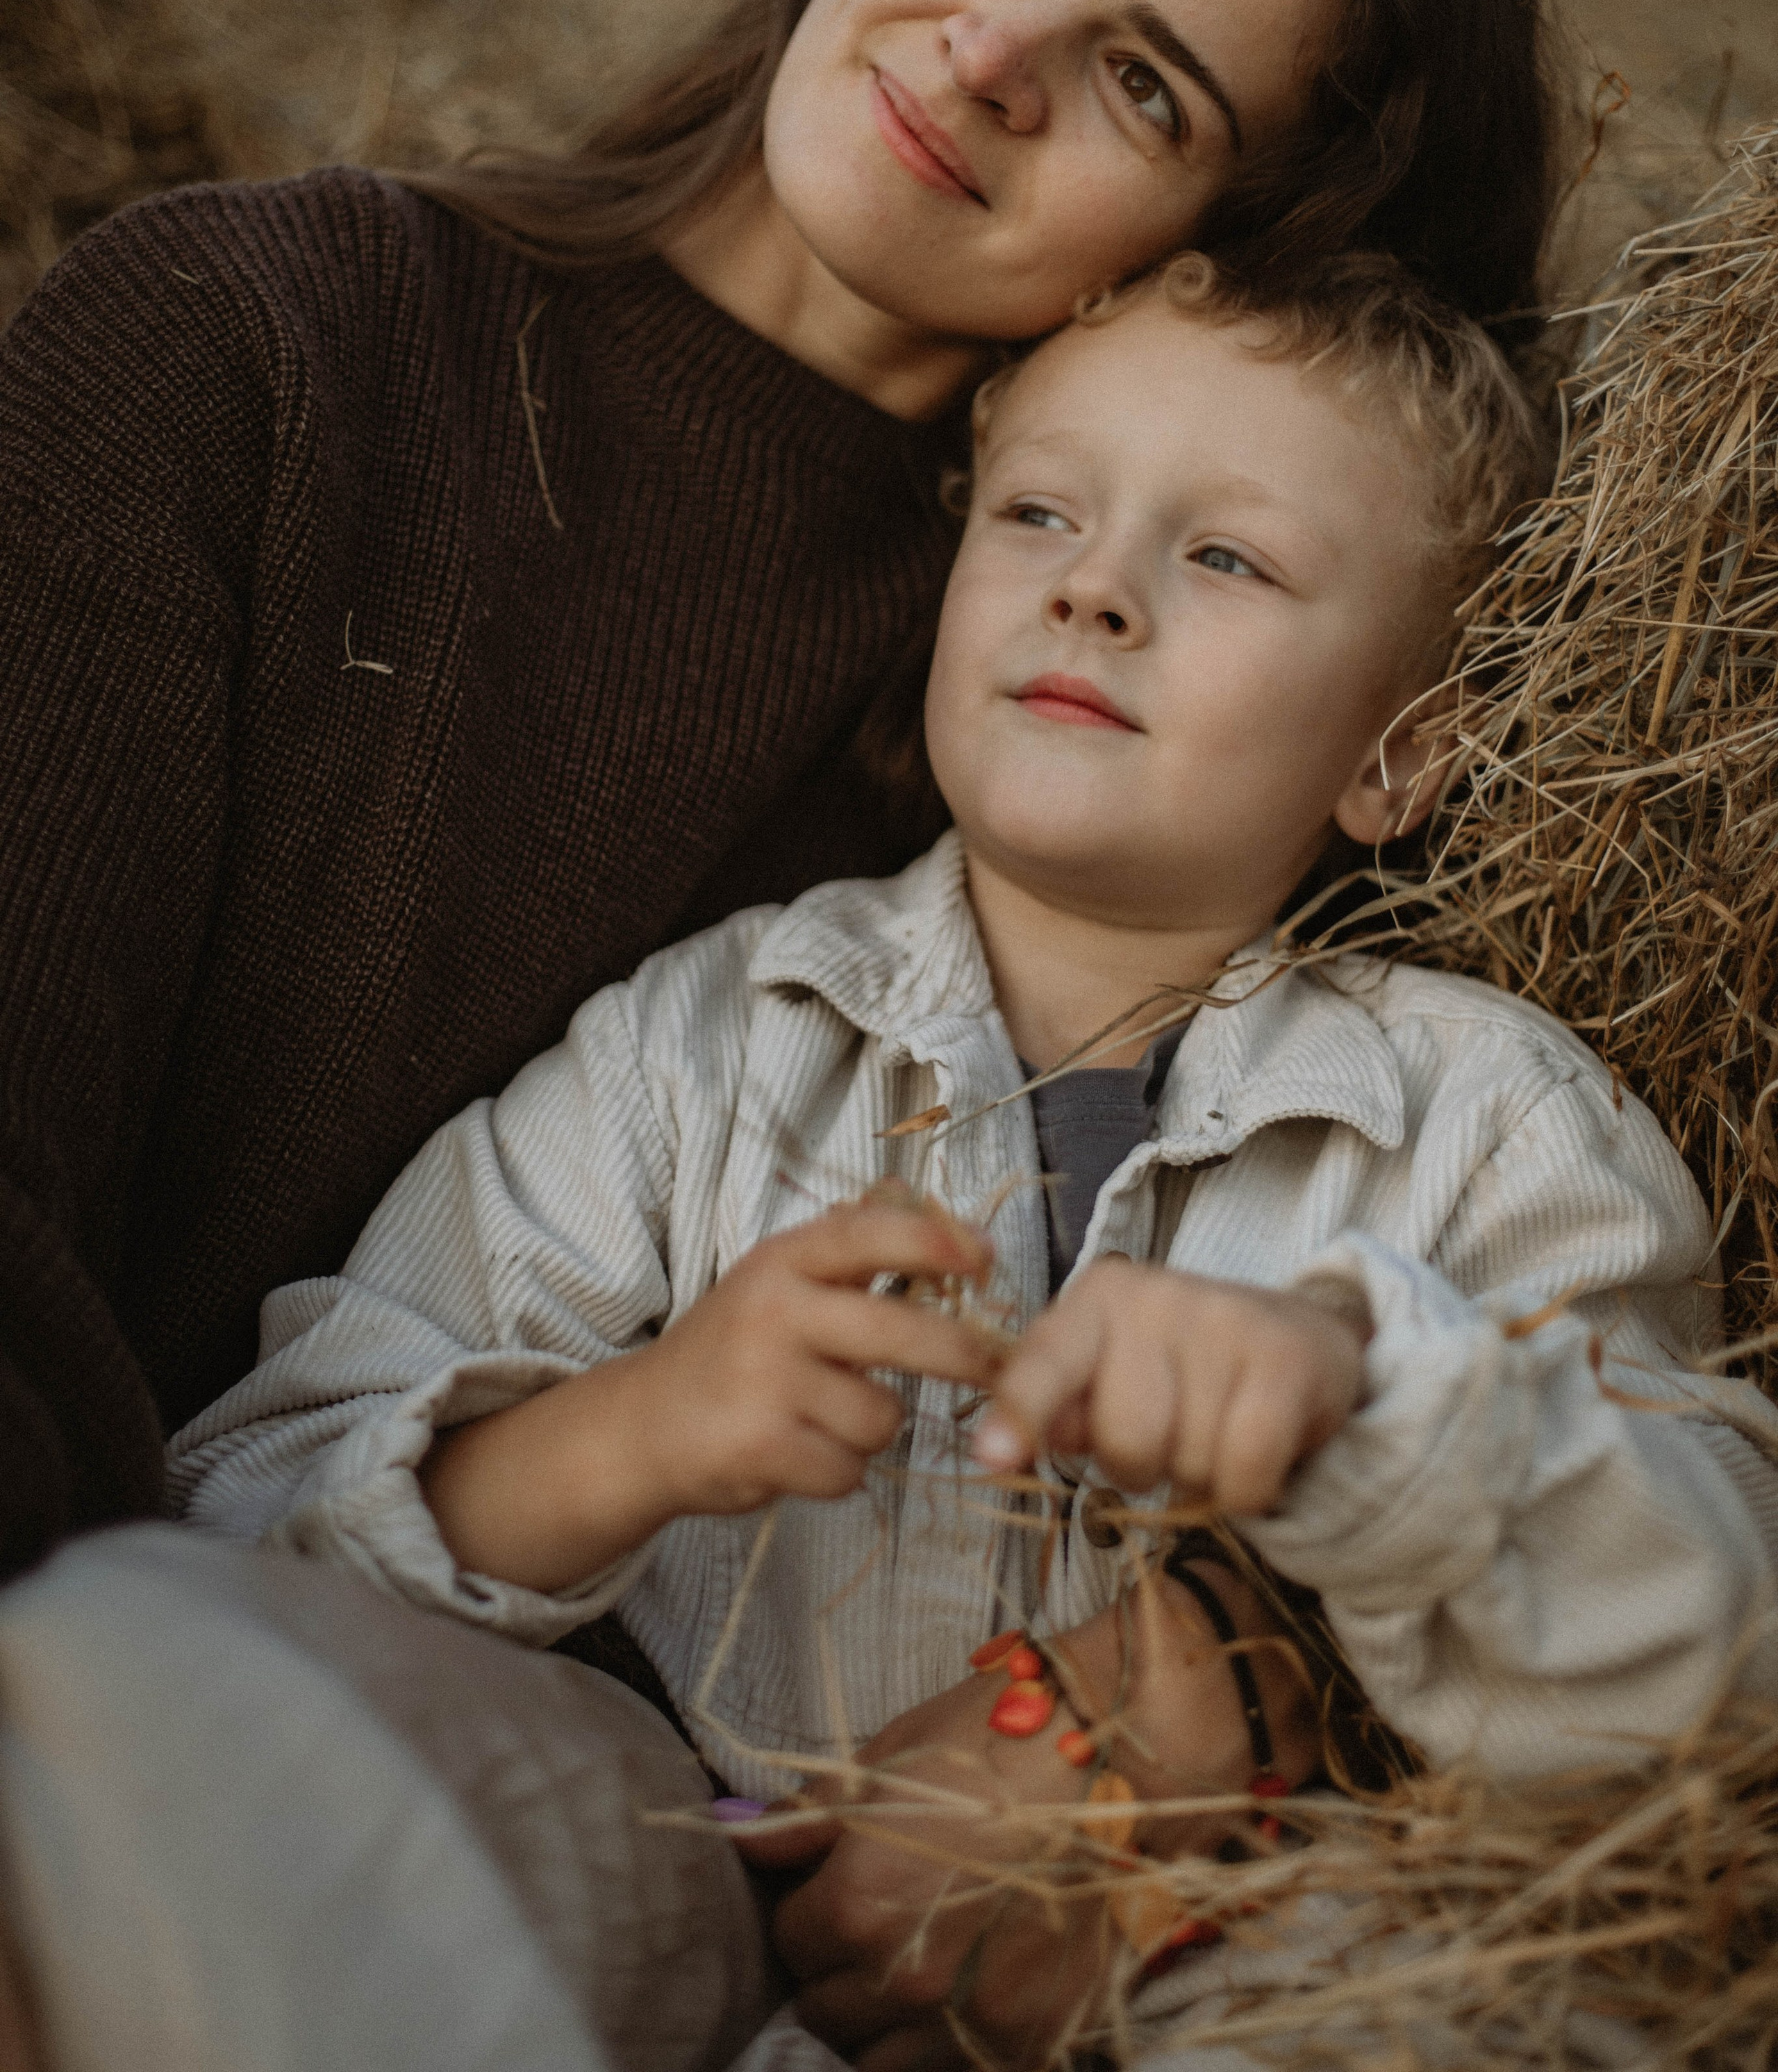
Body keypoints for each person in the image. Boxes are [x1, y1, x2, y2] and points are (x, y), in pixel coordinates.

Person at [0, 0, 1563, 1579]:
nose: (997, 50)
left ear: (1237, 258)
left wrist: (1219, 1670)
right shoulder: (253, 341)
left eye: (1147, 84)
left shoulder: (1080, 709)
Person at [167, 257, 1778, 2071]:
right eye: (1038, 513)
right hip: (701, 1890)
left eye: (1226, 556)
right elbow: (247, 1506)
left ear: (1399, 755)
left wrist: (1368, 1405)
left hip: (1223, 1953)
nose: (1094, 584)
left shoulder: (1489, 1121)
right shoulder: (707, 1044)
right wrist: (631, 1432)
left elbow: (1714, 1683)